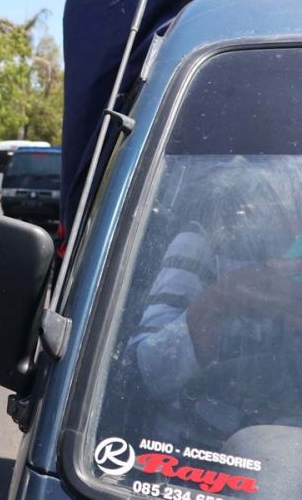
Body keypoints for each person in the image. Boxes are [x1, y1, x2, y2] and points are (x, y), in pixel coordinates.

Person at [124, 157, 302, 448]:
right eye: (288, 199)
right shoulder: (200, 246)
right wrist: (220, 301)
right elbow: (145, 371)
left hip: (285, 451)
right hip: (187, 452)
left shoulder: (293, 259)